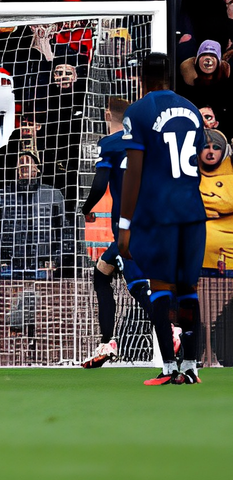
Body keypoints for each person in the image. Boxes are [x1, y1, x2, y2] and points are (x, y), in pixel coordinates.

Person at [118, 52, 206, 386]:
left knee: (160, 287)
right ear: (171, 77)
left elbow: (134, 171)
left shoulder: (138, 111)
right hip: (192, 210)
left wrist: (125, 225)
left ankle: (169, 366)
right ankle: (191, 365)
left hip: (159, 211)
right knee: (188, 288)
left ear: (141, 78)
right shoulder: (193, 111)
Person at [78, 97, 158, 368]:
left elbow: (100, 183)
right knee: (102, 273)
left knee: (138, 286)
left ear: (107, 113)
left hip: (129, 226)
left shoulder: (110, 143)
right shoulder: (149, 142)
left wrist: (86, 208)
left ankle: (170, 331)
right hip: (153, 221)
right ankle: (108, 341)